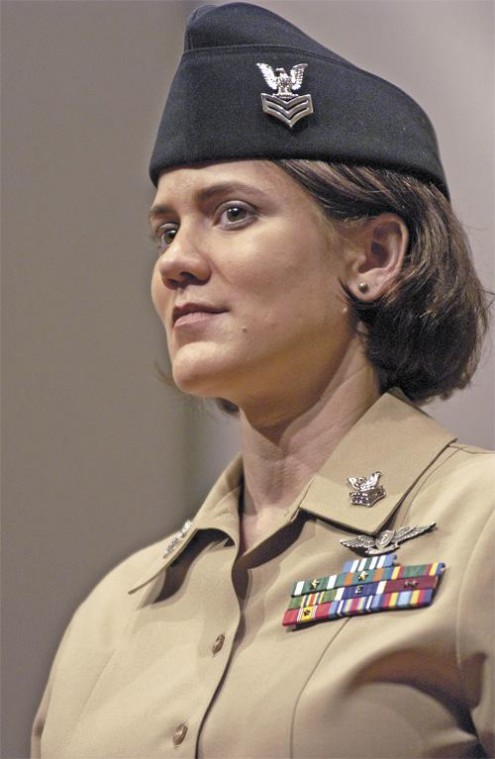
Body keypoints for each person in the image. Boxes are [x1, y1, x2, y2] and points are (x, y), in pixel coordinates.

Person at [31, 3, 493, 757]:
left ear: (375, 256)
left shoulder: (479, 529)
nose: (176, 261)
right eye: (166, 229)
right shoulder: (111, 613)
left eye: (233, 213)